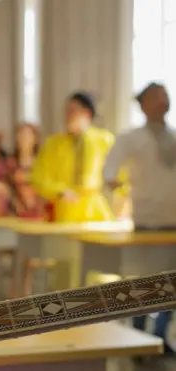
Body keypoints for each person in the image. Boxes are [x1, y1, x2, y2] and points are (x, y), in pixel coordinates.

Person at [102, 82, 174, 349]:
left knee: (171, 283)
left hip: (173, 222)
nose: (162, 102)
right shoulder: (131, 138)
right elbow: (110, 170)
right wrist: (115, 187)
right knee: (145, 283)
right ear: (143, 104)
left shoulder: (174, 137)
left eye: (165, 96)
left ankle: (162, 335)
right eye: (156, 97)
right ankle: (141, 335)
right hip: (148, 222)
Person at [31, 92, 124, 222]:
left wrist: (123, 200)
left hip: (95, 208)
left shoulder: (103, 140)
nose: (67, 116)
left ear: (87, 113)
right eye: (66, 111)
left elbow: (122, 174)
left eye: (72, 111)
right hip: (65, 209)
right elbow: (38, 177)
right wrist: (59, 191)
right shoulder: (53, 144)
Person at [7, 123, 43, 217]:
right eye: (21, 135)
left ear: (35, 138)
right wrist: (14, 201)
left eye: (27, 135)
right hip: (16, 213)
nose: (24, 138)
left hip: (39, 212)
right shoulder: (11, 163)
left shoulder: (42, 162)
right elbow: (8, 187)